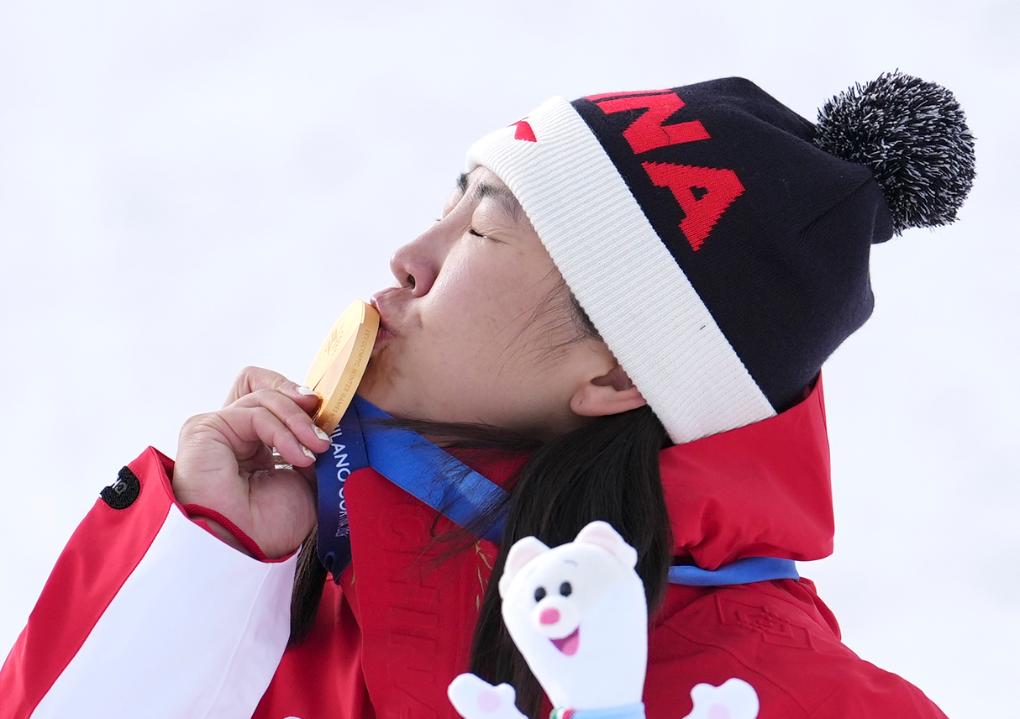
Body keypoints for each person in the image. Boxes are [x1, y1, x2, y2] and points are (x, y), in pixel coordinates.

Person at [0, 70, 975, 719]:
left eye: (482, 230)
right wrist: (205, 561)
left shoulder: (794, 700)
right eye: (449, 202)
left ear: (616, 374)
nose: (409, 256)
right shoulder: (293, 586)